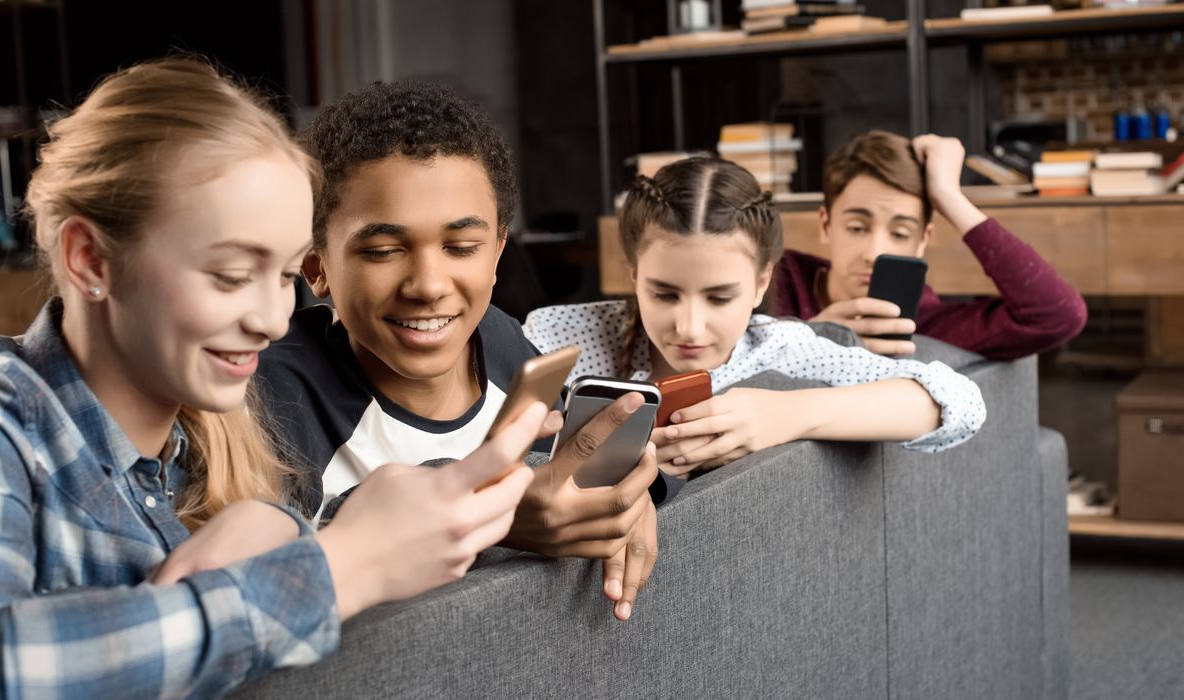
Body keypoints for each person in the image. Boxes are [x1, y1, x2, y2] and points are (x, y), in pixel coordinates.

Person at [0, 58, 543, 698]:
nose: (273, 322)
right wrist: (337, 569)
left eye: (284, 277)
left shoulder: (210, 443)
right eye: (230, 276)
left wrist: (288, 533)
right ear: (90, 259)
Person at [257, 80, 658, 621]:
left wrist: (627, 497)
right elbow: (267, 579)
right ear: (316, 265)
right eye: (382, 250)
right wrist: (492, 516)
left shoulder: (499, 340)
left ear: (496, 253)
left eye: (462, 247)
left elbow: (587, 470)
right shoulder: (274, 395)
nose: (428, 284)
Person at [524, 157, 986, 477]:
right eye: (663, 293)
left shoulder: (780, 349)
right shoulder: (562, 335)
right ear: (633, 274)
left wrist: (787, 413)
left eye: (720, 298)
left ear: (762, 283)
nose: (689, 327)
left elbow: (962, 405)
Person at [767, 131, 1087, 359]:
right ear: (826, 225)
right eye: (857, 227)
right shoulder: (776, 279)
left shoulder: (927, 326)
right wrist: (812, 336)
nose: (874, 253)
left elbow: (1059, 315)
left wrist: (950, 197)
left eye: (901, 233)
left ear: (924, 241)